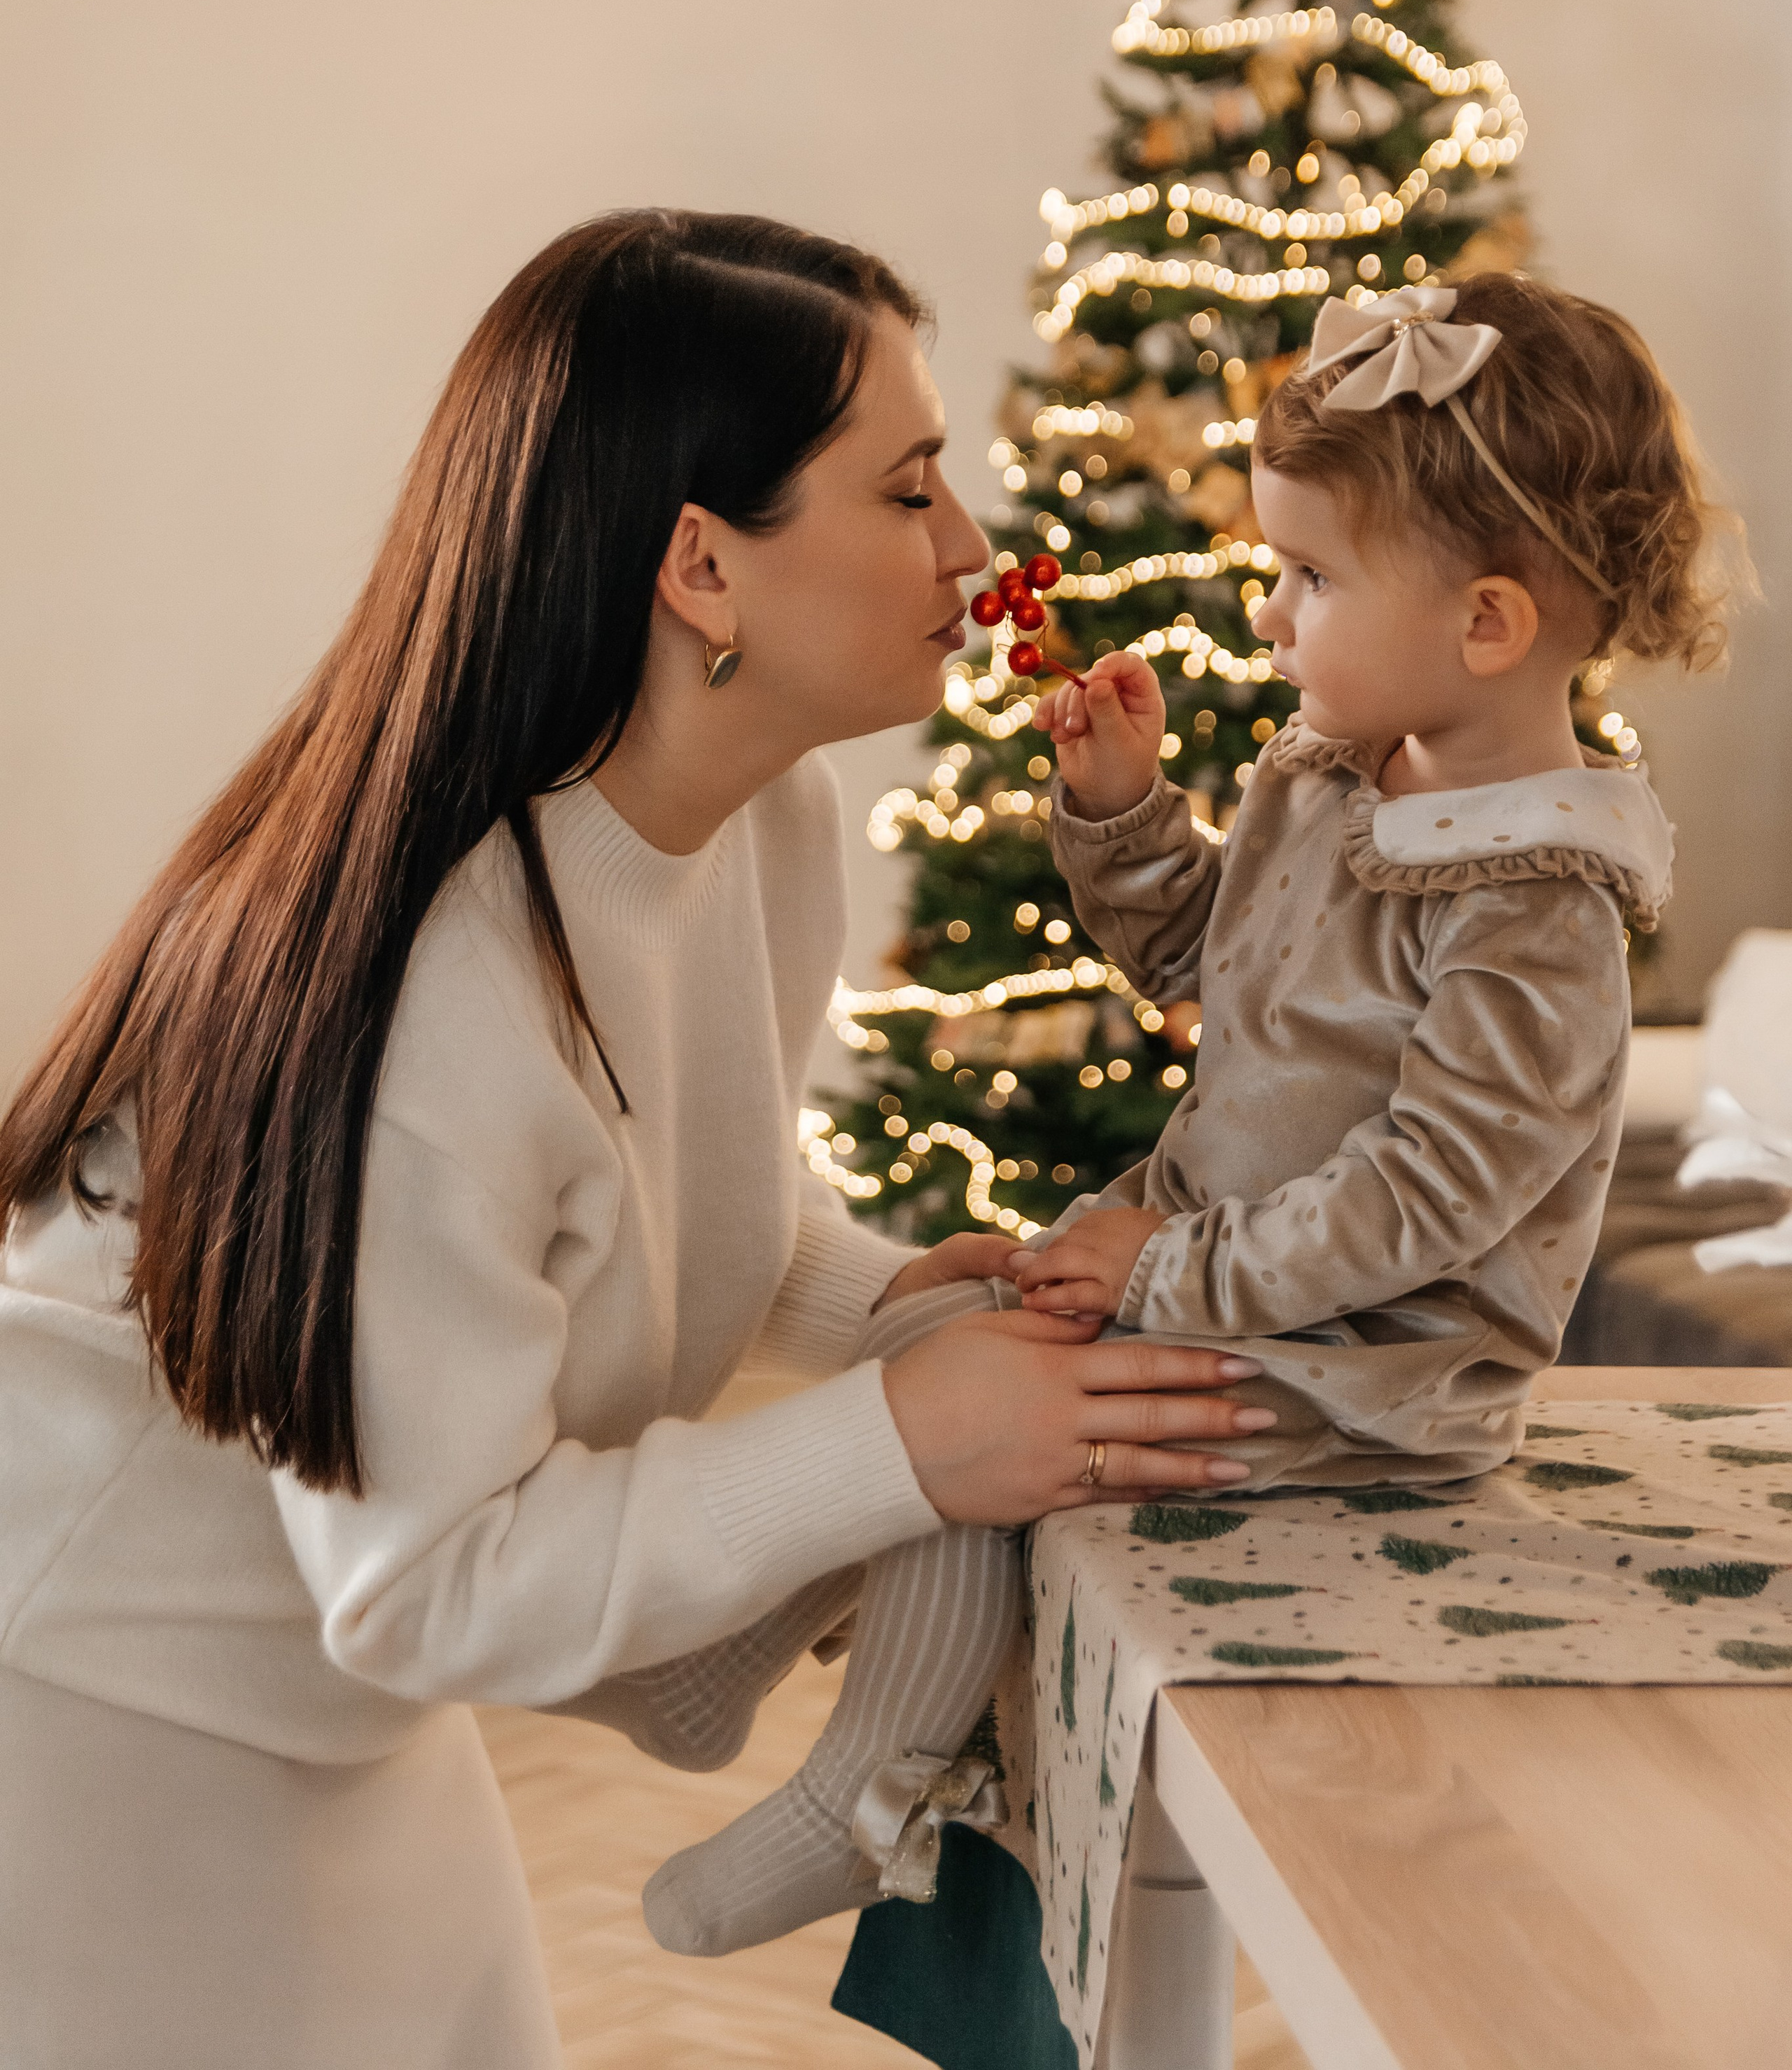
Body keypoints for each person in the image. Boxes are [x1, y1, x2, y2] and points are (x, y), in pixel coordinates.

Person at [0, 210, 1273, 2070]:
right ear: (701, 564)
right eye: (909, 489)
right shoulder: (439, 987)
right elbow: (425, 1581)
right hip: (99, 1691)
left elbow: (668, 1190)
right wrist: (895, 1444)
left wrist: (885, 1299)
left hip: (339, 1687)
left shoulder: (764, 834)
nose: (974, 549)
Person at [649, 270, 1736, 1958]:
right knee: (945, 1321)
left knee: (990, 1410)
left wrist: (1158, 1274)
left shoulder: (1537, 904)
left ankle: (865, 1793)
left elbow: (1424, 1205)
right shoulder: (1330, 768)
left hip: (1365, 1360)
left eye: (1307, 577)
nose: (1271, 616)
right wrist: (1119, 812)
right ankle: (728, 1656)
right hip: (1224, 1277)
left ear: (1488, 624)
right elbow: (1211, 967)